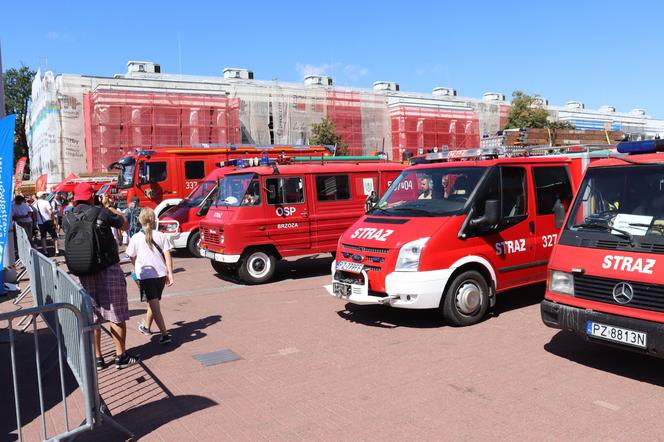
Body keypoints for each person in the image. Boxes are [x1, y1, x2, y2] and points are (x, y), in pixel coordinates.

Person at [66, 183, 138, 370]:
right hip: (109, 268)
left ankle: (98, 359)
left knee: (92, 316)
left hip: (84, 271)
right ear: (92, 197)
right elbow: (125, 223)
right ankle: (120, 356)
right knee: (116, 314)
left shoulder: (68, 217)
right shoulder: (102, 212)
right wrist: (109, 207)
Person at [125, 207, 174, 345]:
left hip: (146, 275)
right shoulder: (160, 235)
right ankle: (146, 327)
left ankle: (165, 334)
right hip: (160, 274)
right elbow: (167, 254)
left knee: (154, 304)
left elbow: (131, 255)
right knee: (154, 302)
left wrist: (136, 267)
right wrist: (170, 273)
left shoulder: (135, 238)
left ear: (140, 220)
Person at [33, 191, 60, 256]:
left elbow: (34, 215)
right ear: (42, 196)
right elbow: (50, 212)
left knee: (43, 237)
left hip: (40, 223)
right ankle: (56, 250)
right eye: (44, 194)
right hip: (48, 221)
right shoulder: (46, 202)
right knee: (54, 236)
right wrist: (54, 220)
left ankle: (45, 251)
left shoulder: (34, 204)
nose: (45, 196)